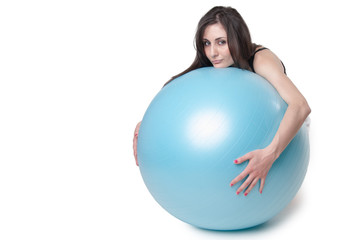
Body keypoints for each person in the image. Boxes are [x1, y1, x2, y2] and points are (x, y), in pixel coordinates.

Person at [132, 6, 311, 196]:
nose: (212, 53)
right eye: (207, 43)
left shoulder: (260, 60)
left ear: (238, 40)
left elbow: (300, 106)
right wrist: (150, 126)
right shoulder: (211, 65)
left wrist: (270, 154)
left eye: (221, 42)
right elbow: (182, 103)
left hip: (284, 129)